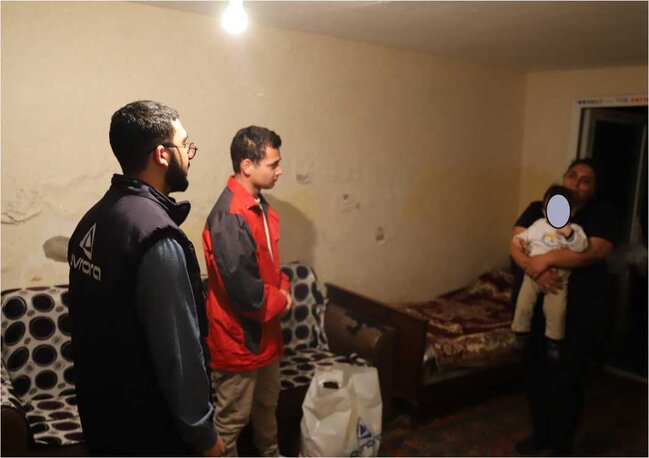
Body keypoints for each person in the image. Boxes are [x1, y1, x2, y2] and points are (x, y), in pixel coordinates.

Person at [67, 100, 224, 456]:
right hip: (150, 431)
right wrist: (203, 433)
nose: (190, 154)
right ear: (162, 155)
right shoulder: (155, 238)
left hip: (103, 419)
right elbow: (178, 352)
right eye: (185, 145)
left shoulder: (93, 220)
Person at [510, 158, 618, 456]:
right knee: (534, 375)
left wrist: (548, 259)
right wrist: (536, 271)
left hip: (576, 311)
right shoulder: (538, 208)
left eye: (585, 180)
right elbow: (516, 244)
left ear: (593, 188)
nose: (576, 183)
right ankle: (540, 435)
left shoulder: (601, 214)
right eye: (572, 175)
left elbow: (593, 252)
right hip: (534, 304)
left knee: (566, 379)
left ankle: (561, 445)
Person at [202, 126, 292, 456]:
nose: (280, 170)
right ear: (247, 166)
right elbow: (246, 294)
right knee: (231, 422)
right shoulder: (229, 216)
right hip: (238, 340)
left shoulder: (259, 206)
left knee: (267, 408)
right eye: (273, 164)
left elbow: (270, 268)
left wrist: (283, 286)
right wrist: (283, 299)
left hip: (267, 335)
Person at [511, 184, 588, 360]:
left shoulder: (574, 230)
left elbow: (582, 247)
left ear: (572, 211)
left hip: (559, 279)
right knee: (524, 303)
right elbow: (523, 237)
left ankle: (554, 340)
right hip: (533, 274)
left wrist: (568, 233)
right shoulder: (538, 225)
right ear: (544, 211)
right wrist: (520, 242)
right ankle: (520, 332)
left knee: (557, 310)